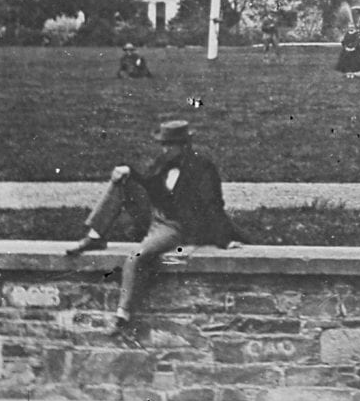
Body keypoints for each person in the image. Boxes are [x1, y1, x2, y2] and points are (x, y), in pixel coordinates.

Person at [64, 119, 248, 324]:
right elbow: (149, 185)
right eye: (163, 144)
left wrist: (224, 239)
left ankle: (123, 311)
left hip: (173, 226)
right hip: (153, 214)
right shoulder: (163, 162)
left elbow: (213, 205)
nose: (165, 149)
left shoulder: (203, 168)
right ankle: (95, 236)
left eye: (170, 145)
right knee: (120, 180)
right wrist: (129, 171)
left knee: (136, 257)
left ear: (184, 145)